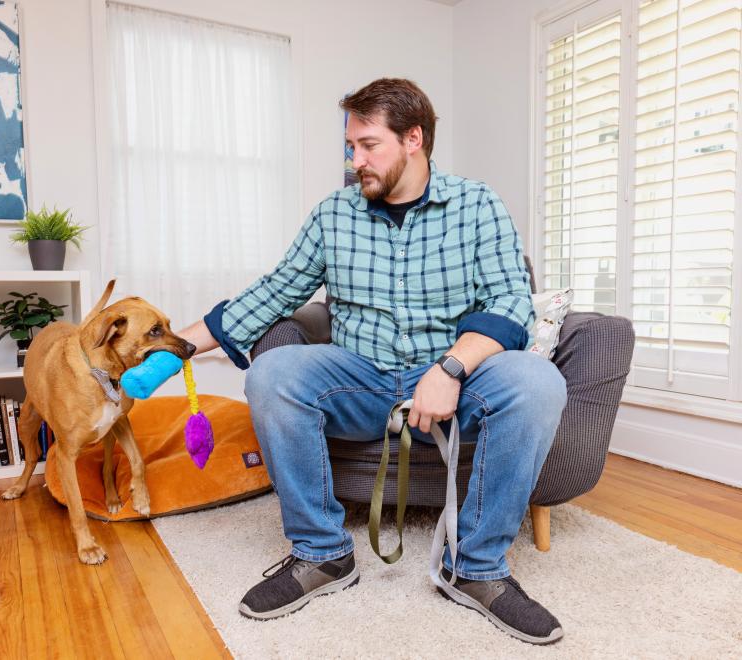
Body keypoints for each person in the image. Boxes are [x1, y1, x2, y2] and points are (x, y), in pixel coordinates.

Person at [178, 78, 567, 645]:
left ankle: (477, 567)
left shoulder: (477, 204)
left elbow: (510, 303)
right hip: (360, 377)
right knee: (273, 373)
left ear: (414, 139)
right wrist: (176, 347)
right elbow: (275, 291)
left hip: (455, 380)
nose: (354, 159)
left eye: (367, 145)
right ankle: (323, 553)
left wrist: (451, 369)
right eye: (350, 146)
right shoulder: (334, 213)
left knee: (538, 382)